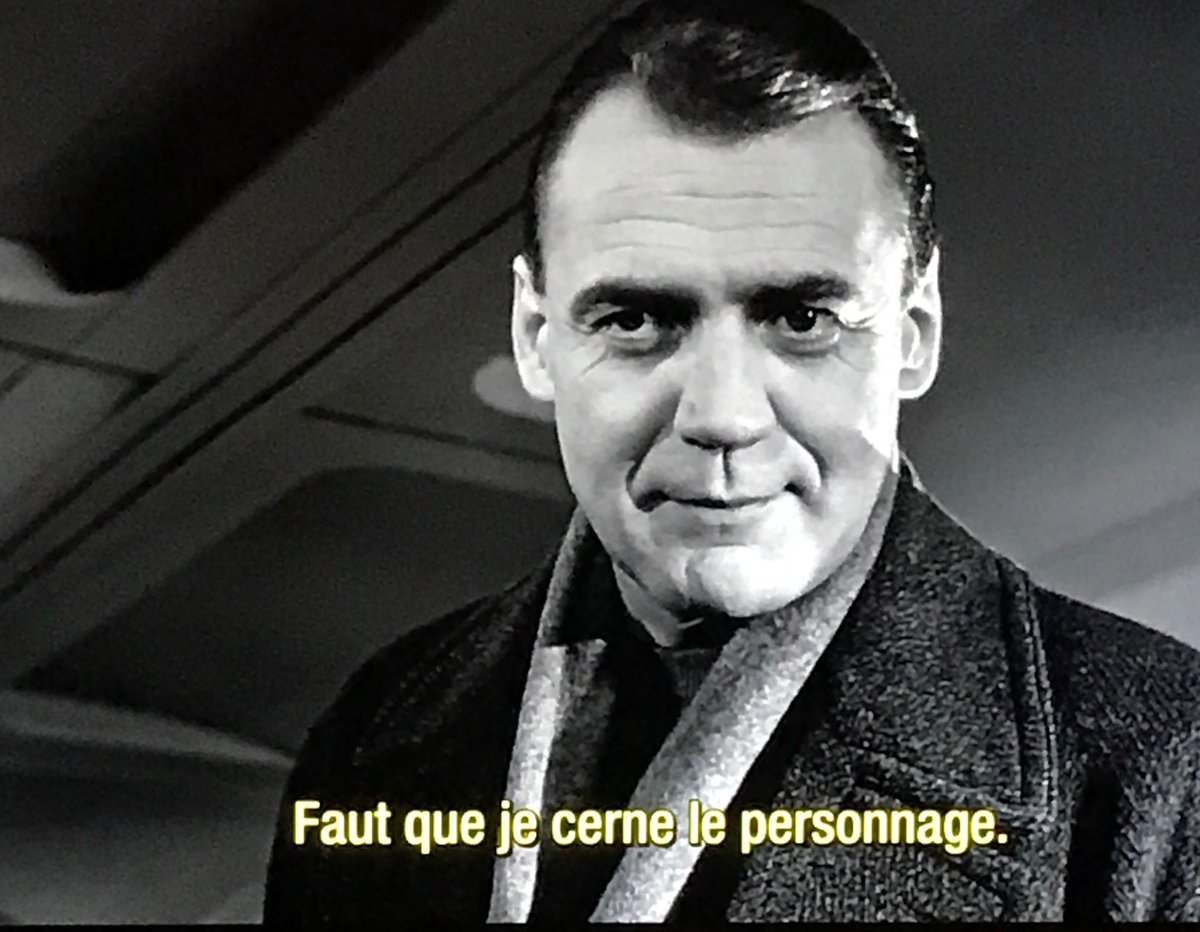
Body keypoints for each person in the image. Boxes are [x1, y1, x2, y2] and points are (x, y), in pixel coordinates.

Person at [263, 0, 1200, 922]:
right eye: (635, 320)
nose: (721, 417)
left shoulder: (1167, 772)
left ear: (914, 334)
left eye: (803, 319)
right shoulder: (372, 734)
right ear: (534, 337)